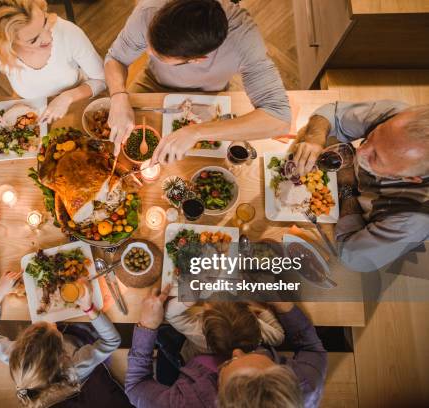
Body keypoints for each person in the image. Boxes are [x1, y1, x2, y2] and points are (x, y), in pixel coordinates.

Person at [104, 0, 291, 159]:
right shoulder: (149, 11)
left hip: (210, 93)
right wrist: (119, 95)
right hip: (153, 82)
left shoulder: (244, 40)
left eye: (159, 55)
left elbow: (279, 118)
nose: (147, 52)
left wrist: (197, 132)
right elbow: (116, 58)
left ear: (196, 59)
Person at [125, 286, 327, 408]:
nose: (236, 351)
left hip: (181, 365)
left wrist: (147, 325)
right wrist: (280, 302)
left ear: (219, 397)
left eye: (230, 362)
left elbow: (135, 387)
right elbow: (312, 348)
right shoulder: (306, 385)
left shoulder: (184, 403)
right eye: (260, 354)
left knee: (165, 340)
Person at [290, 101, 429, 272]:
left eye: (376, 157)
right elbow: (331, 114)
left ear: (410, 178)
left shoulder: (411, 220)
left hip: (356, 227)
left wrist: (347, 187)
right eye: (372, 136)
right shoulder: (399, 119)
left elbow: (352, 258)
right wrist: (314, 140)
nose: (361, 151)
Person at [0, 271, 128, 407]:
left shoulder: (17, 358)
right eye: (54, 329)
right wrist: (88, 307)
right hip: (84, 381)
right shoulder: (77, 366)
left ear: (22, 343)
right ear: (64, 354)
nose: (52, 322)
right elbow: (112, 341)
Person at [0, 0, 106, 124]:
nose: (48, 37)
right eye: (33, 40)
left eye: (45, 22)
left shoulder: (69, 33)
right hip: (30, 107)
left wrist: (67, 97)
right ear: (6, 43)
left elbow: (101, 80)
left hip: (77, 102)